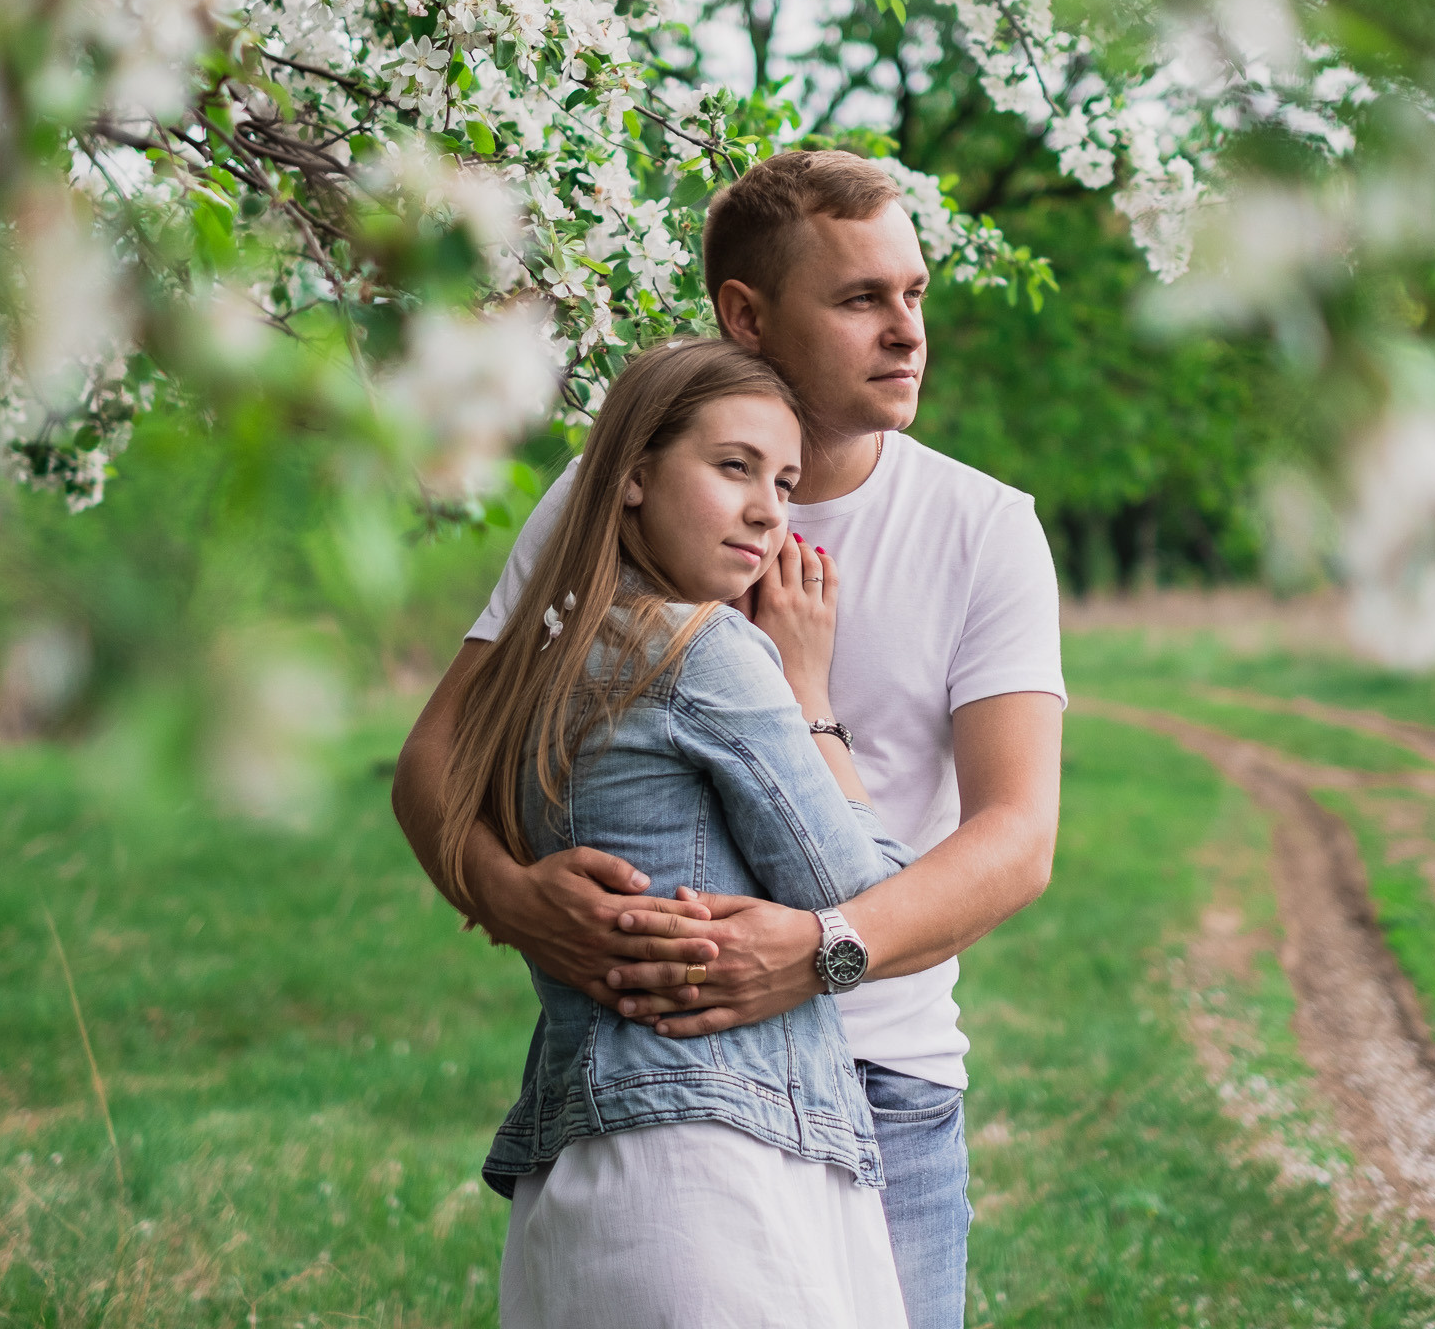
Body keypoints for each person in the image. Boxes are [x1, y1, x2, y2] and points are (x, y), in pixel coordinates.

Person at [394, 149, 1065, 1329]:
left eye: (914, 293)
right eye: (860, 298)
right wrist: (513, 898)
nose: (907, 331)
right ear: (746, 315)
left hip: (887, 1079)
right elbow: (437, 759)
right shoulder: (624, 487)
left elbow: (1017, 839)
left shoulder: (982, 527)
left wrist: (819, 952)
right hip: (667, 1079)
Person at [442, 337, 912, 1327]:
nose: (768, 511)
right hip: (711, 1166)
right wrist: (811, 693)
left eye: (784, 483)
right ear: (633, 476)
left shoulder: (549, 657)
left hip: (580, 1159)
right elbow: (864, 893)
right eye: (734, 466)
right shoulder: (704, 649)